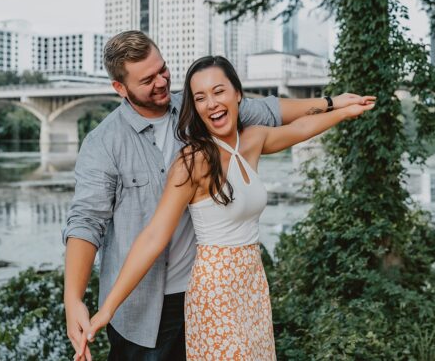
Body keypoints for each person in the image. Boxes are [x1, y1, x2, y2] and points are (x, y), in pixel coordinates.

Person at [62, 31, 372, 360]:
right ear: (120, 88)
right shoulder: (104, 143)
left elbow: (271, 112)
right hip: (143, 306)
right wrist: (74, 299)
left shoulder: (197, 109)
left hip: (211, 291)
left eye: (162, 69)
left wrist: (332, 104)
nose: (162, 81)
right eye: (148, 80)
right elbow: (87, 222)